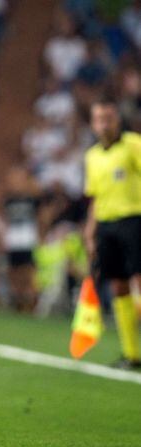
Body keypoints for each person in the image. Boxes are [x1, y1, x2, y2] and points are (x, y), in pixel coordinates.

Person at [83, 98, 141, 370]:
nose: (104, 124)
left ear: (117, 119)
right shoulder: (92, 156)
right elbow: (94, 198)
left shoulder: (133, 145)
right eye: (99, 119)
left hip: (134, 220)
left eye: (109, 118)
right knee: (118, 286)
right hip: (106, 226)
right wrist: (90, 231)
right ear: (93, 123)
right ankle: (131, 353)